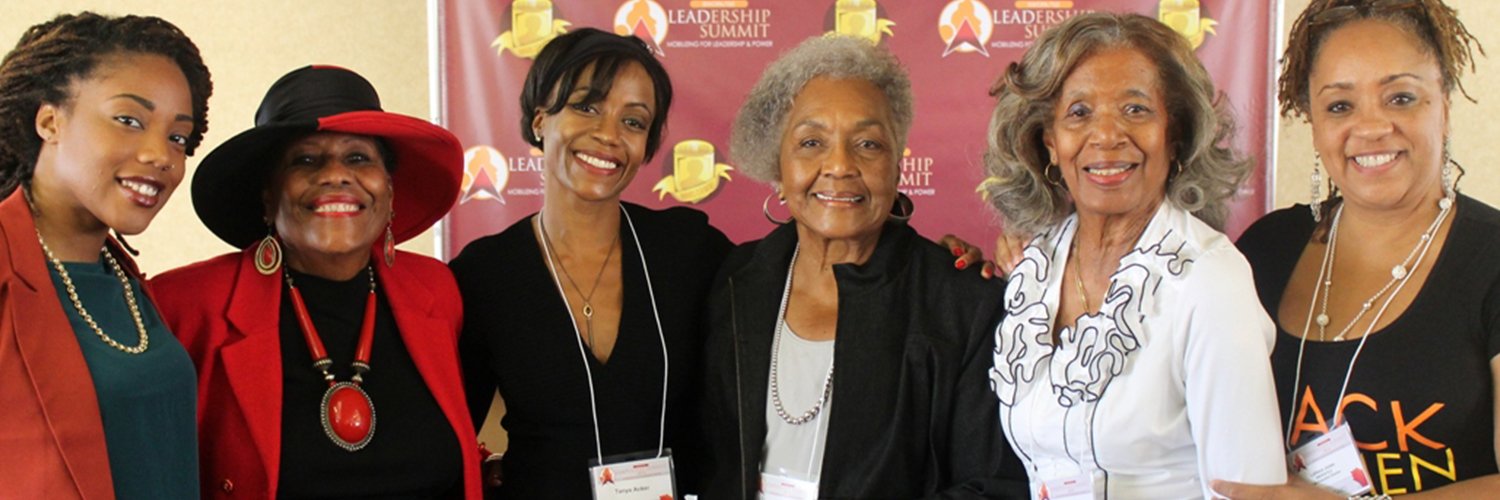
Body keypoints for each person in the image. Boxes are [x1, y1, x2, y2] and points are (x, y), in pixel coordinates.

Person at [701, 35, 1027, 499]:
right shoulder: (733, 282)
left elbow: (992, 485)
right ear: (779, 165)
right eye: (811, 142)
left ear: (897, 166)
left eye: (868, 144)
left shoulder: (963, 303)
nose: (839, 165)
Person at [977, 12, 1286, 498]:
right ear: (1049, 142)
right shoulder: (1035, 270)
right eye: (1079, 113)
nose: (1107, 136)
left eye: (1136, 110)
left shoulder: (1209, 281)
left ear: (1176, 134)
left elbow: (1249, 491)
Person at [151, 66, 480, 498]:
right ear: (268, 197)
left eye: (359, 157)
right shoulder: (184, 306)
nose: (335, 175)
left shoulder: (437, 291)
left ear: (389, 191)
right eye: (305, 160)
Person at [1219, 1, 1499, 497]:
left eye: (1401, 98)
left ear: (1445, 107)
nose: (1370, 127)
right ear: (1314, 122)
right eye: (1340, 106)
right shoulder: (1265, 250)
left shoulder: (1491, 258)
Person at [451, 28, 732, 498]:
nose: (608, 135)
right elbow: (446, 438)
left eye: (634, 122)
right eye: (586, 106)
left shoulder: (690, 250)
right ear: (541, 118)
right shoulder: (485, 275)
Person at [0, 12, 210, 499]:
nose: (162, 155)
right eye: (129, 121)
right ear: (50, 120)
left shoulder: (121, 275)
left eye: (178, 137)